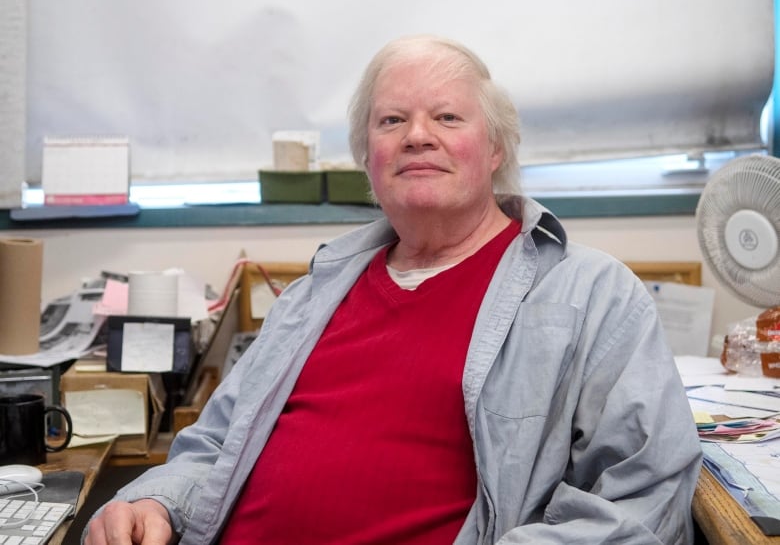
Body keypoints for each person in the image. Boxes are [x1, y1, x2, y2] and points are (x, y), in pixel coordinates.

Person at [84, 35, 702, 545]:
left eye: (448, 117)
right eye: (392, 120)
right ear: (368, 158)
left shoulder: (592, 295)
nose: (417, 135)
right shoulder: (311, 296)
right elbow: (215, 443)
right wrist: (154, 501)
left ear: (495, 150)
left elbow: (642, 501)